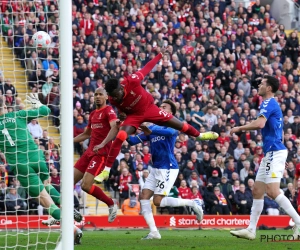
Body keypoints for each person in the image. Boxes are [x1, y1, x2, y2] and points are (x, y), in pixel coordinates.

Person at [93, 48, 218, 183]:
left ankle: (199, 136)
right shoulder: (112, 99)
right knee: (121, 136)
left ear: (121, 88)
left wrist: (159, 55)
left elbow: (147, 68)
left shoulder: (132, 81)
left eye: (116, 95)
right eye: (113, 97)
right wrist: (123, 117)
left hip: (150, 109)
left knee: (179, 124)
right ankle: (106, 170)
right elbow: (123, 111)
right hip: (134, 116)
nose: (115, 98)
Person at [0, 94, 83, 245]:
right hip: (37, 157)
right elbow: (45, 110)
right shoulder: (18, 114)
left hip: (21, 165)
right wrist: (38, 104)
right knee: (47, 185)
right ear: (5, 106)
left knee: (47, 203)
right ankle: (70, 215)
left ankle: (71, 226)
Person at [230, 76, 300, 240]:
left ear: (269, 88)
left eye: (262, 84)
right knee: (257, 190)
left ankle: (298, 221)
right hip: (272, 152)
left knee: (272, 191)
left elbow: (260, 124)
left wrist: (240, 127)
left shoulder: (268, 102)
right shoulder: (272, 104)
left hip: (275, 152)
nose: (259, 85)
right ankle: (251, 230)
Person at [127, 100, 203, 240]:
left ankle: (193, 202)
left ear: (171, 113)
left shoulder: (173, 126)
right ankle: (154, 232)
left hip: (167, 168)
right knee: (143, 196)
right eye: (160, 107)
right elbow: (132, 141)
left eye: (164, 107)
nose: (160, 109)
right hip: (156, 168)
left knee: (157, 201)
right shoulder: (152, 128)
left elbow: (166, 131)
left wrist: (146, 127)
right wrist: (122, 129)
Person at [73, 88, 118, 222]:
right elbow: (87, 134)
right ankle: (70, 210)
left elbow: (115, 127)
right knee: (68, 182)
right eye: (95, 94)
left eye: (100, 95)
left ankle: (111, 203)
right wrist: (69, 141)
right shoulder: (93, 114)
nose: (97, 97)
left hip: (101, 154)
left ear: (106, 97)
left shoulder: (109, 110)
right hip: (89, 152)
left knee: (85, 186)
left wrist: (103, 143)